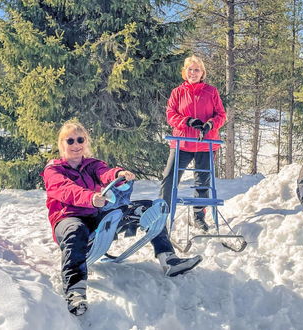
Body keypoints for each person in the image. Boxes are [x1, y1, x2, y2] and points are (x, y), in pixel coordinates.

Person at [42, 121, 202, 316]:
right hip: (67, 218)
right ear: (62, 144)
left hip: (95, 212)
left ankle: (168, 259)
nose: (76, 144)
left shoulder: (91, 164)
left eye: (80, 139)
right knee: (76, 231)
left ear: (85, 142)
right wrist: (90, 198)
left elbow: (105, 173)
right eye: (70, 140)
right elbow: (65, 189)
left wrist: (119, 175)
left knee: (149, 208)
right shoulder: (54, 169)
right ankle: (75, 290)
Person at [159, 55, 227, 232]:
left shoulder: (211, 92)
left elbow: (221, 115)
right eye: (190, 69)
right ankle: (161, 215)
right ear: (185, 72)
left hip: (205, 143)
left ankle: (199, 217)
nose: (193, 73)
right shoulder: (177, 92)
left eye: (197, 70)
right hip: (182, 143)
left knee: (202, 183)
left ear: (202, 73)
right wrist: (187, 121)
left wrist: (210, 124)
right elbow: (170, 115)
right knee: (169, 177)